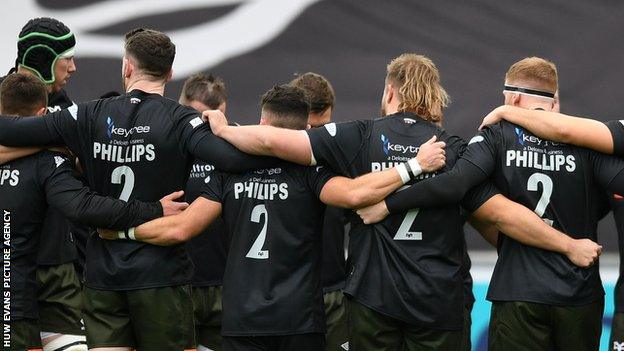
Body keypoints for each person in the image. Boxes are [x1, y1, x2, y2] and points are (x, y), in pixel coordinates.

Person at [203, 53, 600, 350]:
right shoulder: (455, 147)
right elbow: (493, 211)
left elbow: (275, 140)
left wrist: (223, 128)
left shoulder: (357, 135)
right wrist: (556, 246)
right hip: (439, 299)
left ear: (390, 91)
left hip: (375, 296)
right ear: (434, 95)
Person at [99, 83, 446, 351]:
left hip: (243, 319)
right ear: (304, 131)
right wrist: (415, 165)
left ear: (263, 123)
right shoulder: (312, 173)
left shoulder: (228, 172)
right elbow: (357, 194)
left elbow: (181, 229)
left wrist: (122, 234)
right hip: (300, 320)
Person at [0, 28, 287, 350]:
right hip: (160, 275)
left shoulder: (87, 114)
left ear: (126, 67)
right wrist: (224, 129)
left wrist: (56, 144)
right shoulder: (182, 121)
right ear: (170, 72)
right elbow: (234, 160)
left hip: (103, 274)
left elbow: (10, 129)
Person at [357, 57, 622, 350]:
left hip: (519, 290)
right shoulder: (590, 145)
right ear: (553, 98)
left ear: (513, 97)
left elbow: (456, 183)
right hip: (579, 293)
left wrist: (389, 204)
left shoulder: (496, 136)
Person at [0, 74, 186, 351]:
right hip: (12, 306)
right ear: (43, 114)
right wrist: (154, 208)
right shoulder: (49, 163)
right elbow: (84, 207)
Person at [0, 17, 89, 351]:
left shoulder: (66, 106)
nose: (73, 67)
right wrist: (49, 140)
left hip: (58, 263)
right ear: (42, 59)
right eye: (66, 57)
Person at [290, 72, 349, 351]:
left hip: (334, 295)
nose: (315, 138)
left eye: (323, 127)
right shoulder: (260, 158)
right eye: (308, 128)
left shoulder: (344, 161)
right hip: (286, 299)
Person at [179, 73, 230, 351]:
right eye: (198, 116)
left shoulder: (234, 144)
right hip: (177, 281)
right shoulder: (166, 143)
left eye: (213, 117)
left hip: (225, 284)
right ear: (182, 105)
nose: (204, 125)